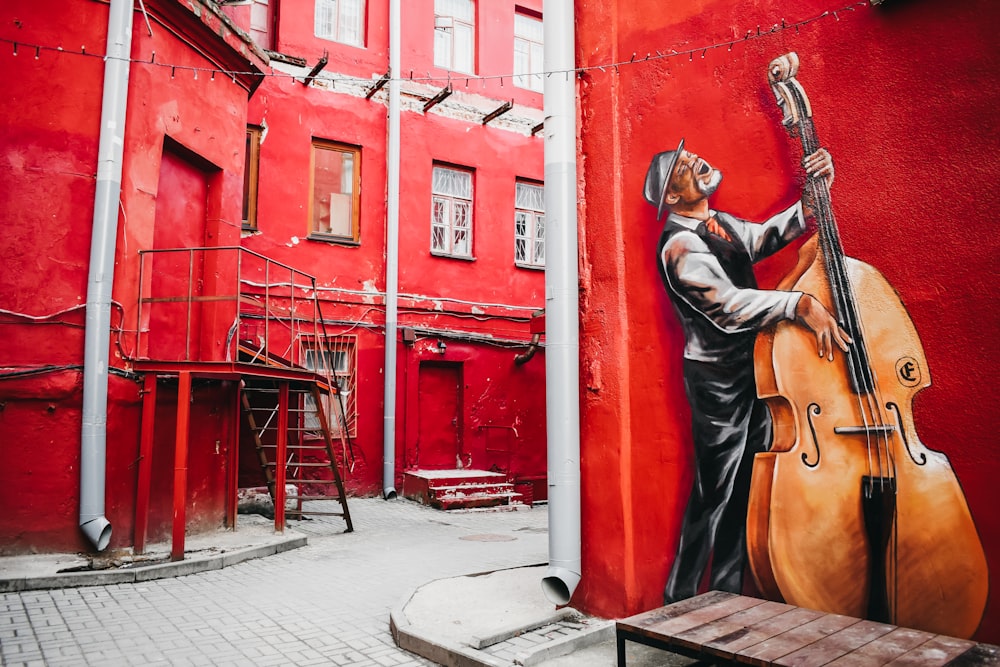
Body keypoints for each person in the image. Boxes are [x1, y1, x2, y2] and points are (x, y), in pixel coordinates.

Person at [644, 139, 850, 604]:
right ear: (672, 196)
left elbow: (769, 236)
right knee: (713, 492)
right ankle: (678, 601)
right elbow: (729, 307)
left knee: (745, 487)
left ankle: (725, 594)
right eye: (682, 165)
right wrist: (797, 305)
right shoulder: (680, 244)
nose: (697, 159)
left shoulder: (723, 226)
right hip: (716, 380)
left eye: (692, 155)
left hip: (753, 369)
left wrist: (816, 192)